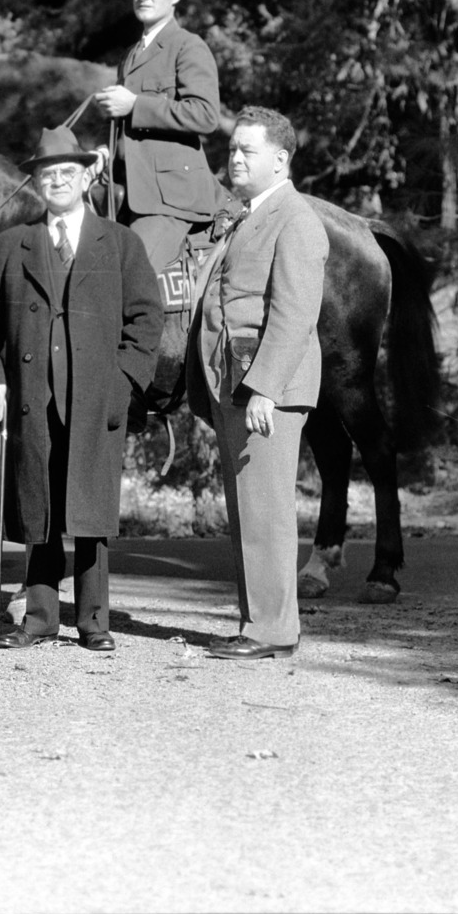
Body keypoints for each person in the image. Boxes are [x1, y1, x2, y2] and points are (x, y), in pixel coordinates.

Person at [0, 127, 164, 652]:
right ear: (35, 182)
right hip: (34, 395)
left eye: (66, 172)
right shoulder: (13, 244)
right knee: (39, 503)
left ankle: (93, 621)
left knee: (91, 509)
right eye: (46, 173)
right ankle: (38, 618)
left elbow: (146, 318)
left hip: (96, 398)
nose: (56, 181)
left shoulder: (120, 243)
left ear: (86, 177)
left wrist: (124, 380)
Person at [187, 106, 327, 661]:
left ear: (281, 159)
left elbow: (294, 313)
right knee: (248, 508)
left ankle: (273, 629)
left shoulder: (295, 219)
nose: (235, 158)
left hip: (265, 390)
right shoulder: (248, 214)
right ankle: (258, 622)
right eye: (233, 149)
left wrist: (265, 388)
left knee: (266, 509)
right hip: (233, 384)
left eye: (248, 150)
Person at [88, 0, 232, 275]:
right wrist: (101, 153)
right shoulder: (130, 55)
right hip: (129, 194)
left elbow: (205, 115)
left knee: (129, 282)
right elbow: (120, 123)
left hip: (170, 199)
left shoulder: (188, 46)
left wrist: (136, 104)